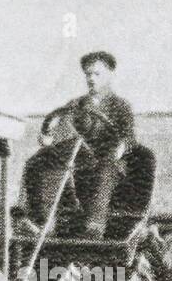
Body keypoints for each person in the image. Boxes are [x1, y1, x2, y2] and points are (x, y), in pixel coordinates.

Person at [31, 51, 136, 237]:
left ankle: (93, 228)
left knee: (105, 166)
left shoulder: (121, 106)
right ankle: (44, 222)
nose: (91, 78)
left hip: (108, 163)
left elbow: (129, 139)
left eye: (97, 74)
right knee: (42, 159)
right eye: (88, 74)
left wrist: (119, 148)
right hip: (80, 161)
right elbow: (60, 128)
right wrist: (48, 138)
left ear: (110, 74)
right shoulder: (76, 104)